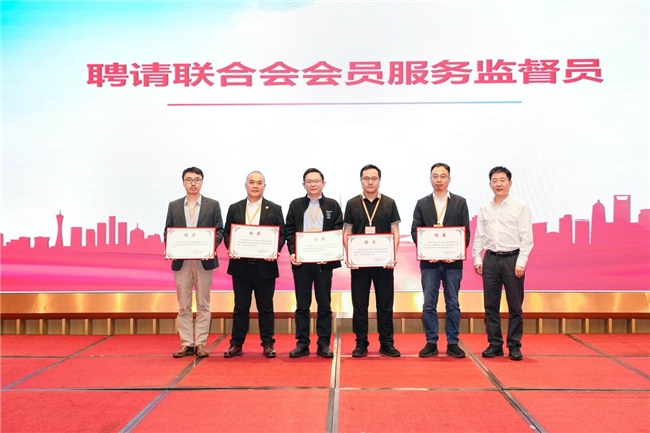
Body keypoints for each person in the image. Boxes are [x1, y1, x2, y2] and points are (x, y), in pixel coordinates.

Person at [472, 166, 534, 361]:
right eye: (495, 181)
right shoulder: (485, 208)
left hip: (512, 259)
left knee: (515, 306)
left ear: (510, 183)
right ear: (490, 184)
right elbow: (479, 235)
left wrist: (521, 262)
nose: (498, 184)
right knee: (490, 305)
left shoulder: (520, 207)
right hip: (490, 259)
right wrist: (477, 258)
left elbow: (527, 238)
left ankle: (514, 345)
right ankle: (495, 344)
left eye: (502, 180)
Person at [223, 171, 285, 358]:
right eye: (252, 182)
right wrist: (232, 247)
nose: (255, 186)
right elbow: (227, 233)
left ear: (264, 186)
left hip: (265, 266)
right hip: (241, 266)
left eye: (259, 182)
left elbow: (281, 234)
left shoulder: (274, 208)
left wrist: (274, 250)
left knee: (265, 307)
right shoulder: (235, 208)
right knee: (240, 307)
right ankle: (236, 344)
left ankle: (268, 343)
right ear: (246, 185)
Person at [411, 163, 470, 358]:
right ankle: (431, 342)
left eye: (443, 176)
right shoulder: (422, 203)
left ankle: (453, 342)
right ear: (430, 179)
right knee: (429, 303)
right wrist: (427, 252)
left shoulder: (460, 202)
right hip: (429, 264)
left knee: (453, 303)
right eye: (435, 176)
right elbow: (415, 231)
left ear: (449, 179)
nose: (439, 180)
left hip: (453, 264)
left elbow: (465, 233)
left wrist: (455, 253)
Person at [165, 167, 224, 358]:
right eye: (189, 179)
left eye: (197, 179)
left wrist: (210, 248)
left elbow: (219, 230)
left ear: (202, 182)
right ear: (183, 182)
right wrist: (172, 246)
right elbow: (168, 231)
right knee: (183, 305)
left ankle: (200, 343)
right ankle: (186, 344)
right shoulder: (174, 205)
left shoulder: (212, 205)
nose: (193, 183)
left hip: (204, 261)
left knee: (203, 304)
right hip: (182, 262)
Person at [343, 164, 401, 357]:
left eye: (374, 178)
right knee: (360, 305)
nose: (370, 182)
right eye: (366, 178)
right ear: (361, 180)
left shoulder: (389, 203)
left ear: (379, 180)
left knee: (385, 305)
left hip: (384, 263)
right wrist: (350, 256)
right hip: (359, 264)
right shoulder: (352, 204)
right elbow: (347, 232)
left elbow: (395, 231)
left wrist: (392, 255)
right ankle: (361, 343)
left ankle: (386, 343)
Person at [285, 168, 344, 359]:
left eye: (316, 181)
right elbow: (289, 231)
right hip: (302, 263)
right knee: (302, 304)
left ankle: (323, 343)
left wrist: (331, 254)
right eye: (309, 181)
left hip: (323, 263)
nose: (313, 184)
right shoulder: (295, 205)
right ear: (304, 185)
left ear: (323, 184)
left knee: (324, 304)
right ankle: (302, 343)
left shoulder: (332, 205)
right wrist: (293, 252)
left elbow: (338, 230)